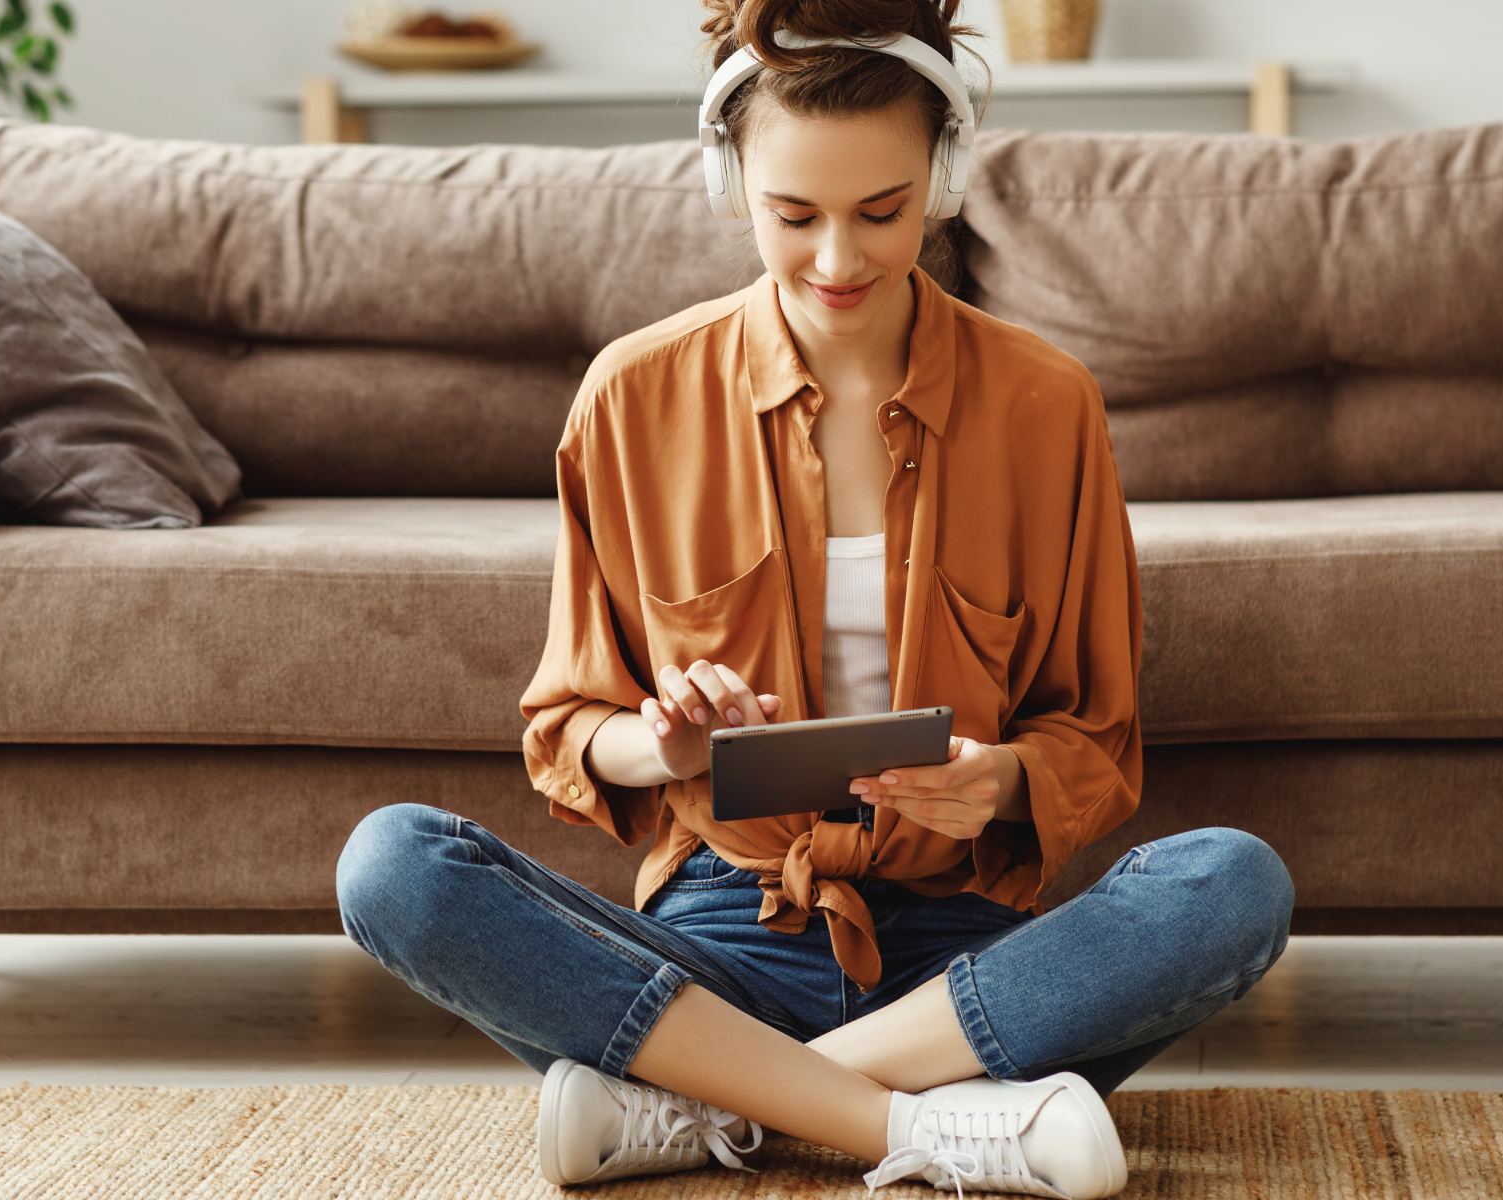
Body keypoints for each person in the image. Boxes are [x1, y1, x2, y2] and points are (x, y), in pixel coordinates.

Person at [336, 1, 1295, 1193]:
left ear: (942, 177)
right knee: (392, 867)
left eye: (880, 212)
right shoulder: (631, 398)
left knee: (1232, 885)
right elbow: (567, 734)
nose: (838, 261)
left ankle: (712, 1108)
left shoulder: (1047, 406)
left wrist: (992, 783)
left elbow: (1094, 740)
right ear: (726, 177)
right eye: (792, 216)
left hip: (963, 964)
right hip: (715, 941)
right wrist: (665, 743)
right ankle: (925, 1128)